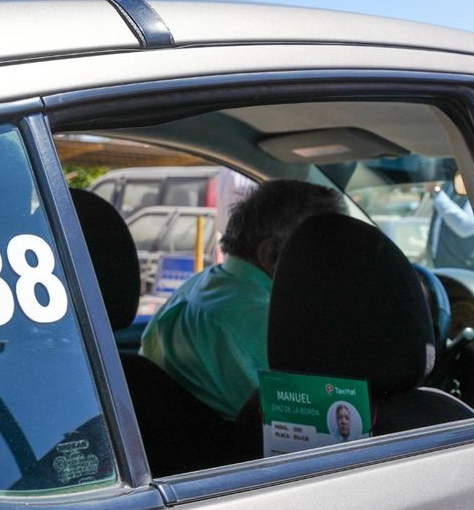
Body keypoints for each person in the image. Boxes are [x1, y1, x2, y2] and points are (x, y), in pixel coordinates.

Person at [141, 179, 343, 419]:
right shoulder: (257, 320)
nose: (332, 263)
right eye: (318, 249)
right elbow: (319, 419)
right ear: (270, 254)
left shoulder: (203, 284)